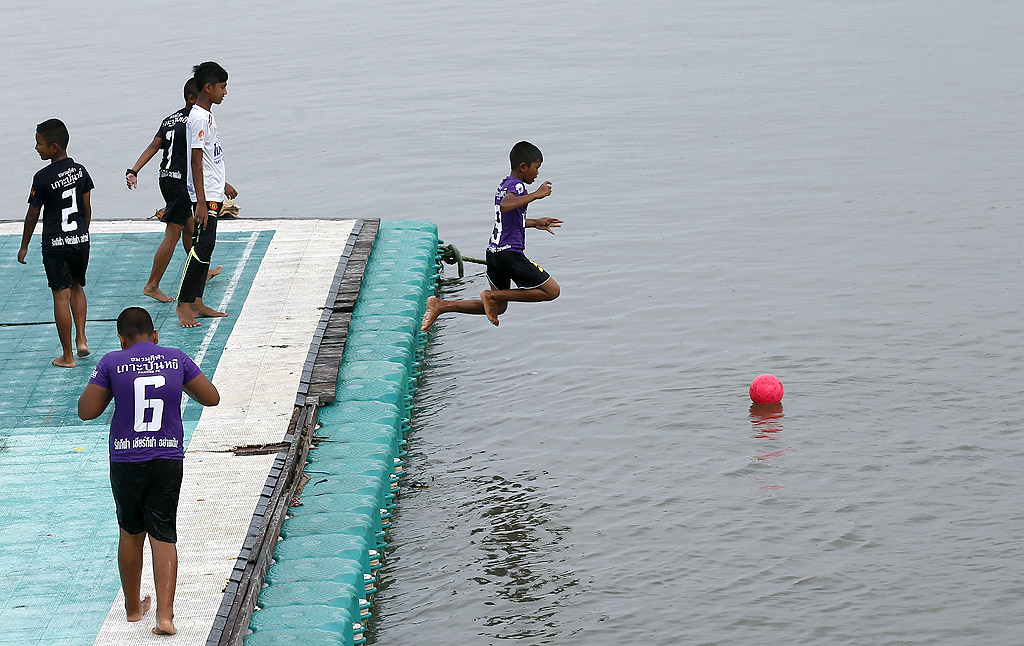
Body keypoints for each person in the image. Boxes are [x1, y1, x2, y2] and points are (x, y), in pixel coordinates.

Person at [78, 306, 220, 636]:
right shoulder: (176, 359)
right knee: (163, 533)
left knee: (130, 531)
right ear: (155, 335)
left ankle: (131, 609)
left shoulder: (111, 362)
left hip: (127, 459)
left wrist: (114, 386)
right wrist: (180, 384)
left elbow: (86, 411)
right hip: (167, 457)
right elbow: (211, 398)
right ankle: (166, 616)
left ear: (121, 339)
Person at [421, 141, 562, 329]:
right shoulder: (518, 187)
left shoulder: (504, 184)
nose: (537, 173)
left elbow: (506, 219)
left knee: (500, 307)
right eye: (536, 168)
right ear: (523, 167)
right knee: (552, 291)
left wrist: (535, 223)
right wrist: (536, 194)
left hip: (495, 254)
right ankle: (490, 295)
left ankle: (441, 306)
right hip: (509, 254)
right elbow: (506, 206)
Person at [127, 79, 221, 302]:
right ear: (192, 98)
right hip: (180, 183)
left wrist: (134, 170)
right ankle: (152, 284)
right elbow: (200, 158)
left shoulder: (170, 119)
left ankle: (199, 271)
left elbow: (153, 146)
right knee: (173, 233)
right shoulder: (195, 120)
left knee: (189, 228)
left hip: (166, 179)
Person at [18, 119, 94, 367]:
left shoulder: (41, 177)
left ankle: (68, 356)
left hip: (56, 244)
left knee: (60, 296)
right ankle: (81, 339)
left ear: (53, 146)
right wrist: (84, 234)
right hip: (80, 240)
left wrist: (24, 244)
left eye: (39, 144)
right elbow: (87, 208)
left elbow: (32, 214)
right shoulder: (81, 171)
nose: (36, 148)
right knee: (77, 286)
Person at [177, 61, 237, 328]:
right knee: (201, 246)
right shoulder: (199, 117)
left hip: (213, 189)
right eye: (222, 87)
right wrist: (201, 201)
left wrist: (224, 183)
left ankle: (198, 301)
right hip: (205, 196)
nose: (225, 92)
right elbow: (196, 160)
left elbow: (211, 158)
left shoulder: (207, 115)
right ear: (208, 87)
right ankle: (184, 304)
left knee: (207, 245)